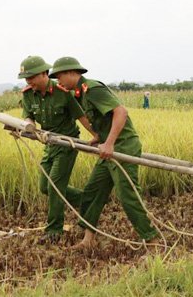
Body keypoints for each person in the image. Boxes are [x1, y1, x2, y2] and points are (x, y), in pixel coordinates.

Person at [49, 56, 160, 249]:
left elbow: (121, 112)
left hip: (123, 145)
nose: (58, 82)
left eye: (59, 77)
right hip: (109, 145)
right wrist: (100, 137)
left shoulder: (92, 89)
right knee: (93, 191)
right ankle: (88, 240)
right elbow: (104, 119)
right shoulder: (79, 94)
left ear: (71, 72)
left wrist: (109, 143)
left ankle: (153, 242)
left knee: (127, 194)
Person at [18, 56, 97, 242]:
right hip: (50, 145)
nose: (28, 82)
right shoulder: (28, 94)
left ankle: (54, 231)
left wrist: (98, 137)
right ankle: (88, 201)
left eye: (31, 78)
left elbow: (82, 116)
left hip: (67, 144)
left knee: (55, 186)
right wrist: (29, 126)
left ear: (44, 74)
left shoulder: (64, 93)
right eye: (26, 79)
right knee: (45, 187)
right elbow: (28, 116)